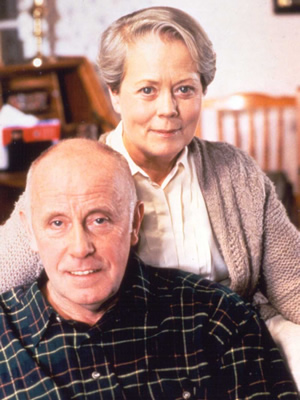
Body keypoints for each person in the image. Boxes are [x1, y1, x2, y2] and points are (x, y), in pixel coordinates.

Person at [0, 5, 299, 387]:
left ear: (203, 90)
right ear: (115, 95)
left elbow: (293, 282)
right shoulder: (76, 179)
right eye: (147, 90)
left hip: (232, 347)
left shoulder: (234, 171)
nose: (168, 110)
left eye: (185, 89)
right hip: (136, 361)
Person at [0, 138, 298, 399]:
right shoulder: (5, 335)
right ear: (29, 231)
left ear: (134, 223)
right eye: (57, 223)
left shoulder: (220, 320)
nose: (80, 248)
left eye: (99, 220)